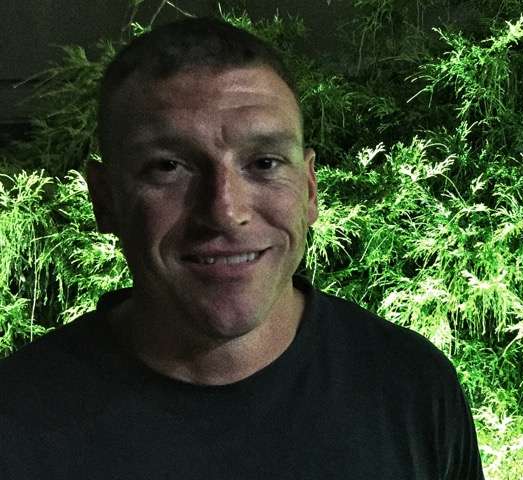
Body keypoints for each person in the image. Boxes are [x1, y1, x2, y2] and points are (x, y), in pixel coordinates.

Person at [0, 17, 484, 479]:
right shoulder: (16, 419)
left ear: (309, 190)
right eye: (168, 167)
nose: (225, 211)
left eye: (265, 163)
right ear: (105, 200)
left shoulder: (410, 386)